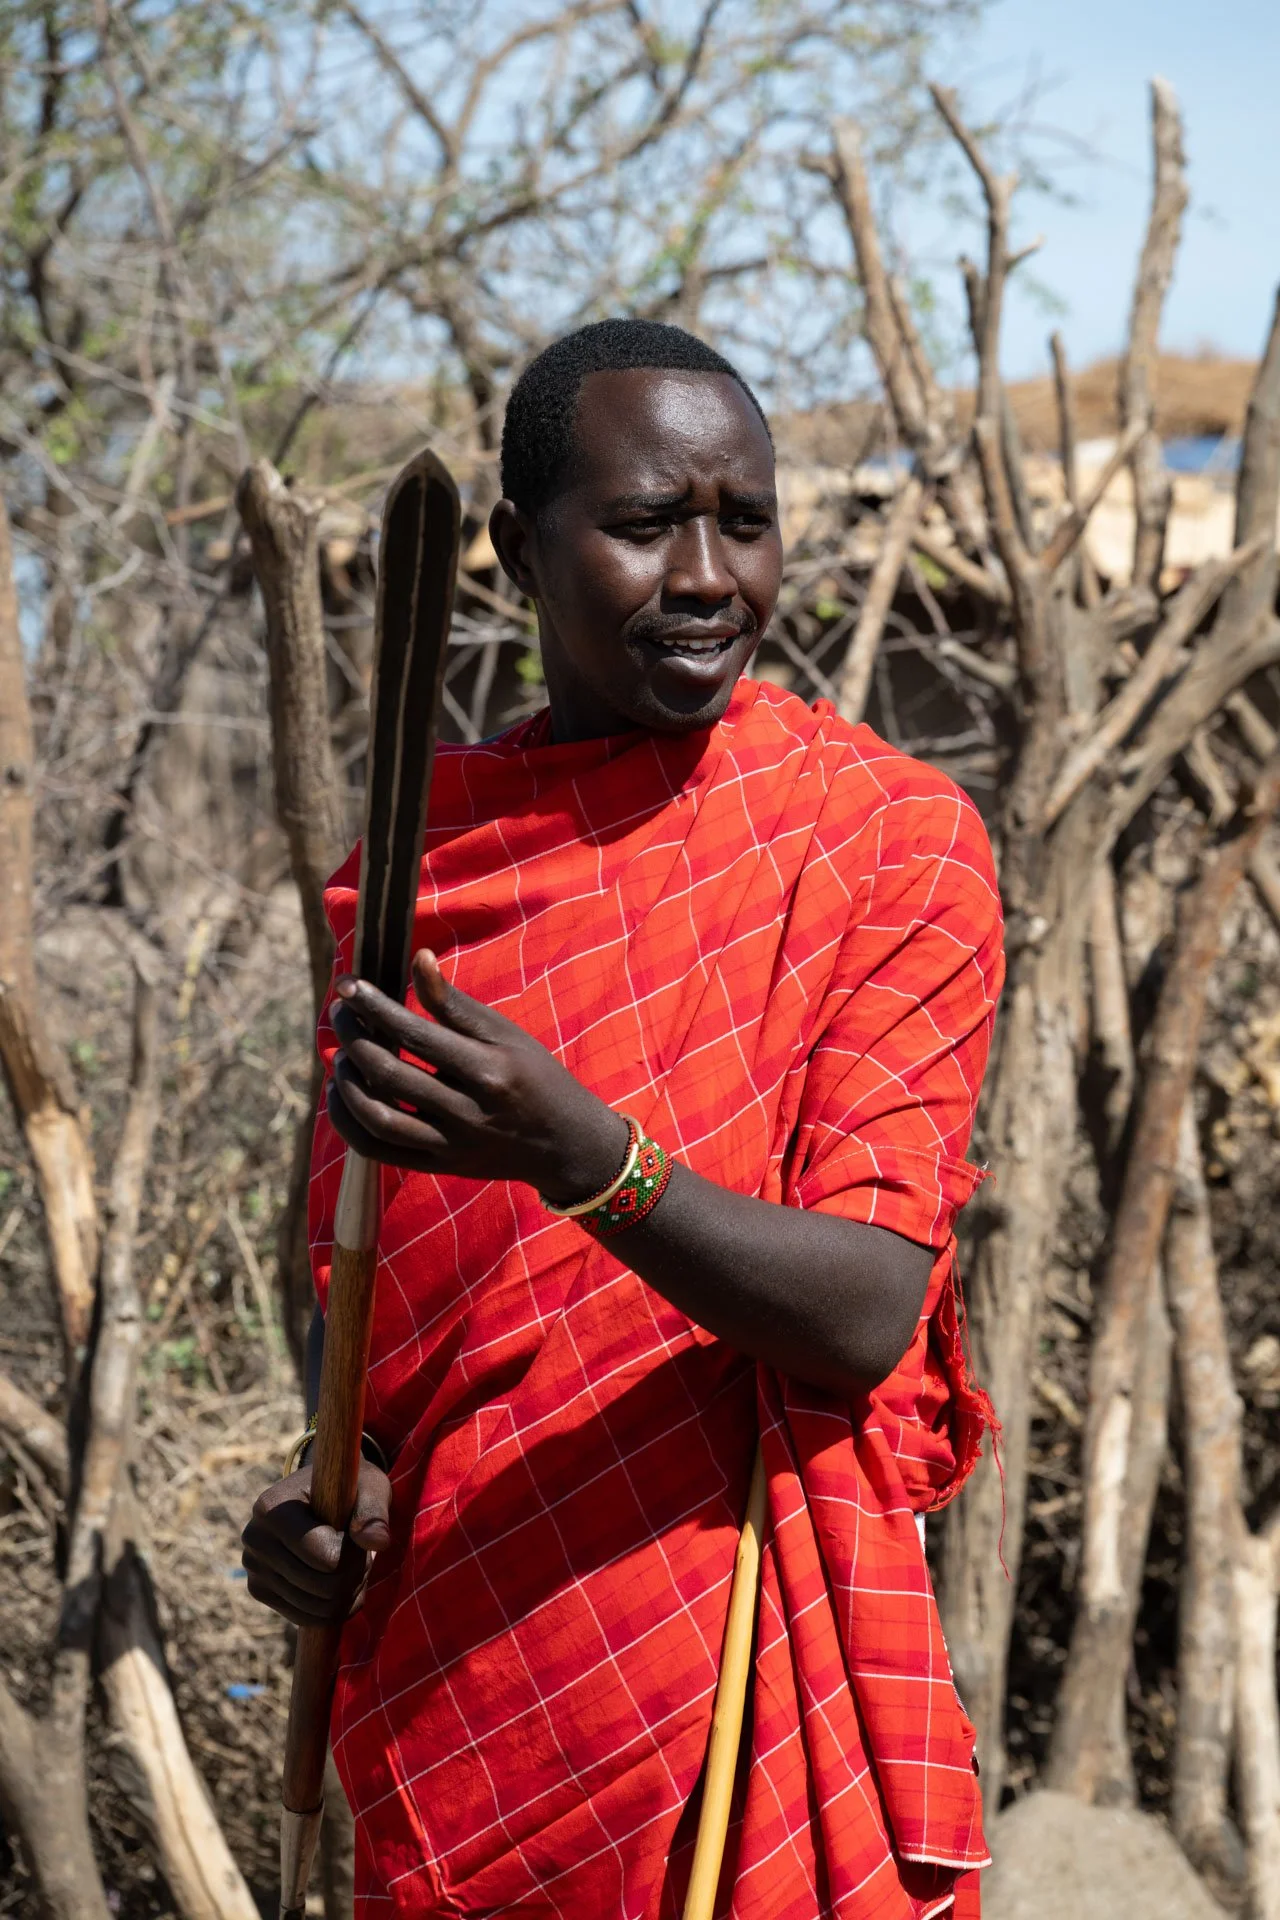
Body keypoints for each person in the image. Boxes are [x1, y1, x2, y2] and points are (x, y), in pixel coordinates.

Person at [243, 318, 1004, 1920]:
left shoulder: (884, 846)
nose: (711, 574)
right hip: (469, 1681)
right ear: (520, 548)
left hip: (740, 1684)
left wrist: (586, 1157)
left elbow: (869, 1309)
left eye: (745, 518)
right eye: (648, 525)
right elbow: (374, 1309)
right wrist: (341, 1494)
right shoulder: (421, 879)